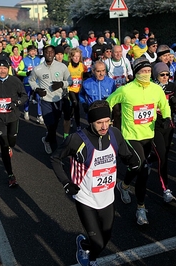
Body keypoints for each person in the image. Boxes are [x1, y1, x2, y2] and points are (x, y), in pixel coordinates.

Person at [50, 100, 139, 266]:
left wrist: (133, 162)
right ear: (90, 121)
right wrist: (65, 183)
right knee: (97, 242)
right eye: (99, 123)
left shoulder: (115, 134)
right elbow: (55, 158)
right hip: (85, 198)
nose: (104, 126)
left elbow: (126, 154)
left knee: (106, 238)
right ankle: (91, 259)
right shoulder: (77, 140)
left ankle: (84, 245)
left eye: (107, 121)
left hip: (107, 197)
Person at [107, 57, 171, 225]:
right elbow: (109, 102)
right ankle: (141, 209)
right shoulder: (126, 90)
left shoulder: (156, 89)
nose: (146, 74)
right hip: (131, 136)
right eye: (142, 71)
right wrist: (103, 120)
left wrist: (166, 118)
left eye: (149, 71)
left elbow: (164, 105)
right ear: (136, 73)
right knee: (142, 168)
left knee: (137, 167)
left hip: (148, 135)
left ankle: (124, 185)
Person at [0, 59, 28, 187]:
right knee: (3, 144)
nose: (2, 71)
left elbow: (24, 96)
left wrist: (16, 103)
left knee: (11, 141)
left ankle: (9, 147)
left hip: (12, 116)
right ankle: (10, 174)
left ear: (8, 69)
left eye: (5, 68)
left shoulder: (15, 81)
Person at [28, 45, 72, 154]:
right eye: (47, 52)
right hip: (45, 102)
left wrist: (62, 84)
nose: (49, 54)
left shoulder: (62, 67)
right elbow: (31, 80)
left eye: (52, 52)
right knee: (51, 127)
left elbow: (70, 81)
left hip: (58, 100)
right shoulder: (38, 69)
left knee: (54, 126)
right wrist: (37, 89)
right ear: (43, 53)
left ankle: (46, 140)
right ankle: (56, 155)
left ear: (54, 53)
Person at [149, 62, 176, 202]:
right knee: (163, 157)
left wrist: (175, 104)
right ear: (156, 75)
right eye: (162, 75)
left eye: (167, 74)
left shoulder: (173, 86)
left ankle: (148, 160)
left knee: (164, 154)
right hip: (154, 125)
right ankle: (165, 189)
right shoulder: (150, 87)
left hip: (168, 125)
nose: (165, 77)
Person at [17, 45, 43, 123]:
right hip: (27, 82)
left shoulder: (39, 60)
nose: (33, 52)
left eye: (34, 50)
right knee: (27, 98)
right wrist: (26, 73)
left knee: (39, 98)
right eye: (31, 51)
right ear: (28, 52)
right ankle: (26, 111)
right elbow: (18, 72)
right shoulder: (24, 60)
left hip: (37, 83)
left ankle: (39, 115)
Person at [65, 48, 86, 135]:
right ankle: (78, 125)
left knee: (75, 106)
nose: (76, 58)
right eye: (74, 56)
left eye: (78, 56)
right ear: (71, 57)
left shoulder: (82, 66)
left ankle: (70, 117)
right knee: (75, 103)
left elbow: (86, 75)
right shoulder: (68, 66)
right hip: (71, 89)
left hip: (79, 89)